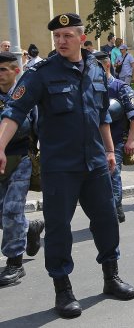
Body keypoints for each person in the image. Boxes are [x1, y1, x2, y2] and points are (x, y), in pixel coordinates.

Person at [0, 13, 134, 318]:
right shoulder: (41, 74)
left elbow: (102, 115)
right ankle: (63, 290)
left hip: (96, 163)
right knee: (60, 229)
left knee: (106, 220)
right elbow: (14, 111)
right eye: (57, 37)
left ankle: (111, 278)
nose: (61, 41)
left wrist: (111, 152)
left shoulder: (95, 69)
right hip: (59, 166)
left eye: (67, 36)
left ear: (81, 38)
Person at [0, 52, 45, 287]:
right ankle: (31, 228)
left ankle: (14, 263)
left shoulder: (26, 97)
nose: (0, 75)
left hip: (21, 158)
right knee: (3, 213)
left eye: (4, 70)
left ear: (16, 70)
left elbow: (41, 128)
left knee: (12, 209)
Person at [95, 51, 134, 222]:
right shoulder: (87, 88)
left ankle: (115, 209)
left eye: (96, 65)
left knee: (113, 174)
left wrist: (131, 139)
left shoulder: (121, 88)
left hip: (117, 140)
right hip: (95, 143)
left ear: (107, 65)